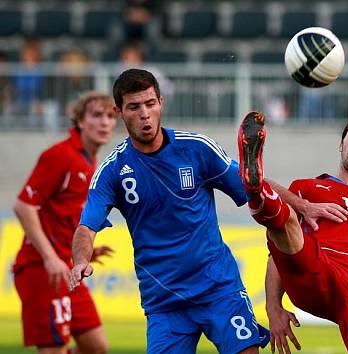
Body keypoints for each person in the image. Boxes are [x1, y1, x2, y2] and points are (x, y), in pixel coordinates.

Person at [69, 69, 269, 354]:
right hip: (165, 302)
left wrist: (301, 205)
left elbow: (254, 185)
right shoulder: (112, 171)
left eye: (150, 104)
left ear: (161, 102)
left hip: (218, 288)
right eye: (134, 107)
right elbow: (86, 229)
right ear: (119, 112)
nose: (144, 114)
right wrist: (79, 261)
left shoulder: (197, 148)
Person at [237, 108, 348, 354]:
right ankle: (255, 189)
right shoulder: (308, 189)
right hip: (317, 268)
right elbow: (278, 256)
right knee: (287, 219)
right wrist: (274, 309)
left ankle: (258, 192)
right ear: (341, 143)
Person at [13, 91, 118, 354]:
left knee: (96, 346)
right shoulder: (61, 155)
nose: (105, 122)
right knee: (53, 349)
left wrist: (86, 253)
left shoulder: (90, 162)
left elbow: (63, 215)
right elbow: (24, 206)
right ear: (80, 121)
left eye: (109, 116)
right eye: (96, 115)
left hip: (67, 269)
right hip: (42, 270)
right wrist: (49, 257)